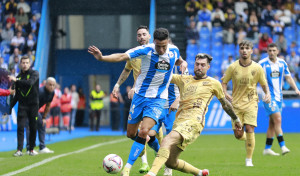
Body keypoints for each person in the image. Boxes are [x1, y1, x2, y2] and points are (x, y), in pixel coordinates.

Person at [88, 28, 187, 176]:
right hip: (140, 97)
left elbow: (178, 60)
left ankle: (126, 168)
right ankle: (157, 147)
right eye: (158, 46)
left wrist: (183, 62)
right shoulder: (145, 50)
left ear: (168, 43)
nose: (161, 49)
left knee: (144, 131)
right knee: (131, 133)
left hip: (158, 99)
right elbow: (122, 56)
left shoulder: (173, 50)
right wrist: (102, 58)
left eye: (164, 46)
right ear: (154, 41)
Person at [145, 53, 242, 176]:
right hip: (179, 123)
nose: (199, 67)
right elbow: (163, 75)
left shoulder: (213, 83)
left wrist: (235, 118)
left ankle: (151, 173)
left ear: (208, 67)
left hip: (194, 122)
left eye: (203, 65)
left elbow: (225, 104)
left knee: (166, 140)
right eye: (197, 64)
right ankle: (200, 173)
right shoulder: (184, 79)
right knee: (171, 163)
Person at [222, 40, 271, 167]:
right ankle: (248, 139)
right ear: (239, 50)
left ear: (251, 50)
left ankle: (249, 159)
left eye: (247, 48)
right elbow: (224, 82)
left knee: (250, 128)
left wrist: (267, 94)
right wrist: (225, 94)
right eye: (242, 48)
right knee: (238, 134)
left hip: (251, 102)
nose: (244, 50)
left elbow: (264, 83)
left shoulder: (257, 67)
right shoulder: (232, 67)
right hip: (236, 104)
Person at [111, 25, 153, 173]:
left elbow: (144, 72)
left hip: (154, 96)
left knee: (149, 132)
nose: (141, 37)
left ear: (149, 36)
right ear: (137, 38)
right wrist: (117, 84)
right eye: (139, 35)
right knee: (135, 133)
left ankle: (161, 163)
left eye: (144, 34)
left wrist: (135, 86)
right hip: (139, 96)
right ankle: (145, 162)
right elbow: (126, 70)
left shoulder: (155, 52)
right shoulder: (134, 54)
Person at [259, 43, 300, 156]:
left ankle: (267, 149)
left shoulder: (282, 63)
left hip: (279, 97)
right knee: (278, 119)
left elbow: (288, 77)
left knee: (272, 123)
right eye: (270, 50)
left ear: (277, 51)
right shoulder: (262, 64)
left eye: (274, 50)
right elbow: (254, 79)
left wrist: (296, 88)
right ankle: (283, 146)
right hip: (268, 97)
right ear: (267, 51)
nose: (272, 52)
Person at [8, 56, 39, 157]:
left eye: (27, 63)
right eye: (23, 63)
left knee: (33, 127)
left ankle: (31, 149)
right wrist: (9, 108)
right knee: (20, 127)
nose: (25, 65)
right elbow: (16, 95)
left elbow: (30, 84)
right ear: (20, 64)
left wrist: (16, 81)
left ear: (30, 64)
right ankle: (19, 150)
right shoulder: (18, 76)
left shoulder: (35, 74)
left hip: (33, 105)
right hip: (22, 106)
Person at [25, 77, 56, 154]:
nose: (51, 87)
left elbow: (48, 105)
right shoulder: (40, 92)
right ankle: (29, 149)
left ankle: (42, 147)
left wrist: (44, 118)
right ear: (46, 84)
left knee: (42, 124)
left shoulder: (52, 93)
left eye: (53, 85)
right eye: (50, 85)